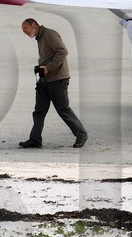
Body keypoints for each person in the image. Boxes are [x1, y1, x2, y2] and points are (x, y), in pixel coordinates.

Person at [19, 18, 88, 149]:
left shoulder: (49, 34)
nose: (25, 32)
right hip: (44, 81)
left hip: (58, 80)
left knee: (63, 110)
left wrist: (48, 67)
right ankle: (35, 140)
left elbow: (62, 51)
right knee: (39, 111)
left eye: (25, 28)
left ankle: (81, 135)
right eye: (23, 30)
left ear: (34, 24)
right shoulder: (39, 37)